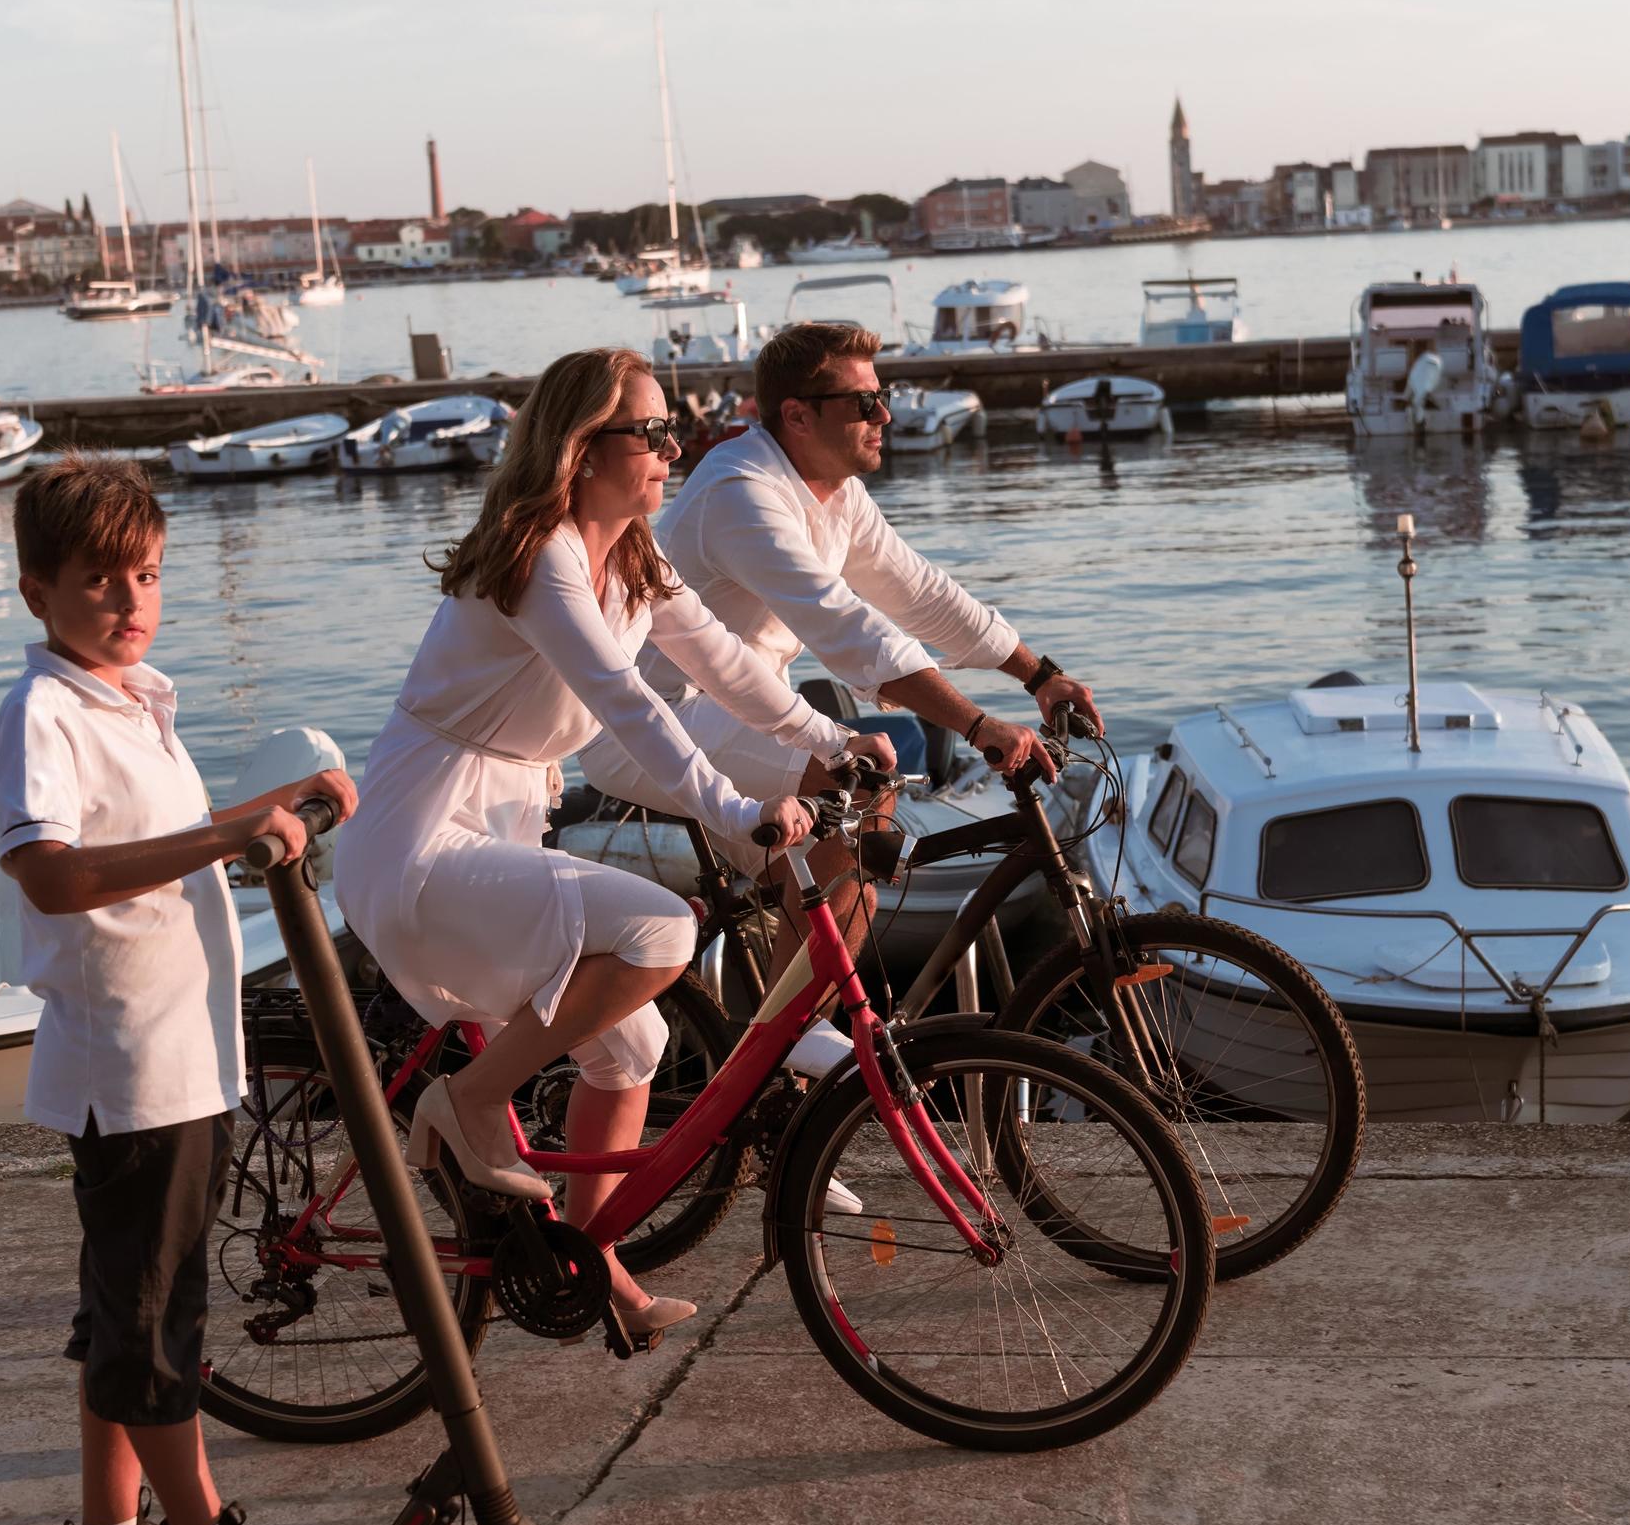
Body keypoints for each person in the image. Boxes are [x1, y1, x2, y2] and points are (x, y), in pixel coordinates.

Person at [331, 348, 880, 1338]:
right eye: (655, 432)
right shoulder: (542, 553)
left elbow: (720, 665)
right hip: (422, 832)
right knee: (662, 931)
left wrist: (829, 741)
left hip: (498, 815)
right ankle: (468, 1101)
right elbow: (625, 705)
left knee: (634, 1044)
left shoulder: (629, 553)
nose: (675, 448)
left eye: (675, 430)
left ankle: (593, 1272)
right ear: (583, 449)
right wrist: (731, 804)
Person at [0, 453, 362, 1525]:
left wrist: (263, 807)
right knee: (156, 1320)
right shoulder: (42, 711)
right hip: (130, 1065)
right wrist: (220, 838)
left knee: (124, 1304)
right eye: (100, 579)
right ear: (37, 587)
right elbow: (50, 873)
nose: (131, 601)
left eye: (146, 574)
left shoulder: (136, 698)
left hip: (185, 1052)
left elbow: (162, 839)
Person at [578, 320, 1098, 954]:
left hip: (742, 716)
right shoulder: (742, 494)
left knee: (847, 892)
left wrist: (1038, 676)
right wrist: (977, 725)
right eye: (863, 403)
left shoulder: (836, 494)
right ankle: (801, 1041)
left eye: (883, 394)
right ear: (797, 416)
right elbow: (845, 626)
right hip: (650, 725)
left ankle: (792, 1043)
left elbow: (922, 593)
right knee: (860, 792)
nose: (883, 413)